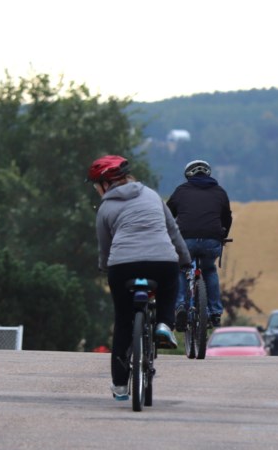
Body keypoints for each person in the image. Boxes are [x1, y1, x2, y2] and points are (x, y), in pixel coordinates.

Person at [88, 155, 191, 401]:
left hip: (122, 266)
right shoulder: (152, 196)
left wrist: (105, 267)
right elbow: (172, 231)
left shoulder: (105, 208)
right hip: (162, 262)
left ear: (105, 184)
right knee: (169, 284)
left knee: (123, 321)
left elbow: (105, 245)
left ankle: (121, 386)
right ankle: (165, 324)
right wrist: (184, 259)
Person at [166, 159, 233, 330]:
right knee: (209, 270)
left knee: (182, 269)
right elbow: (227, 217)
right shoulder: (220, 192)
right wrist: (223, 235)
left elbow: (168, 215)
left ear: (188, 175)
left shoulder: (180, 191)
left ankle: (180, 305)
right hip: (212, 240)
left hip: (185, 239)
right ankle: (215, 312)